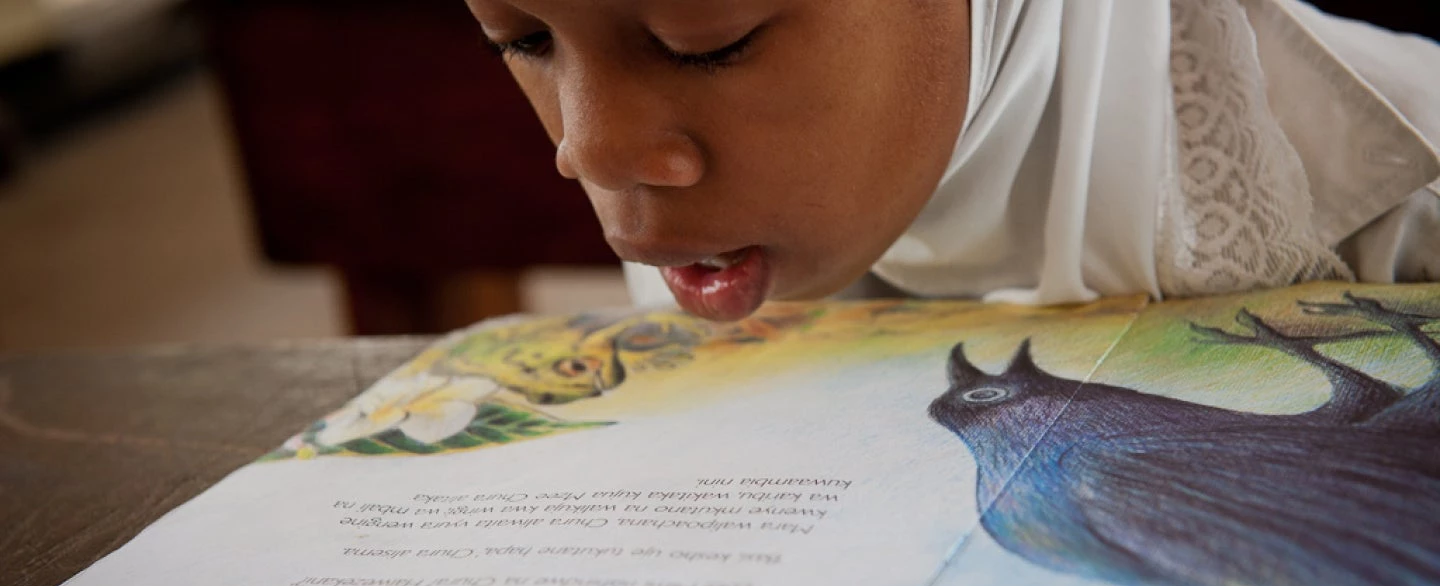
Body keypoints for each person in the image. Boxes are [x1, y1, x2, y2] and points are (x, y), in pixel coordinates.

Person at [466, 0, 1440, 321]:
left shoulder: (1408, 206)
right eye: (522, 39)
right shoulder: (730, 229)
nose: (588, 147)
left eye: (707, 42)